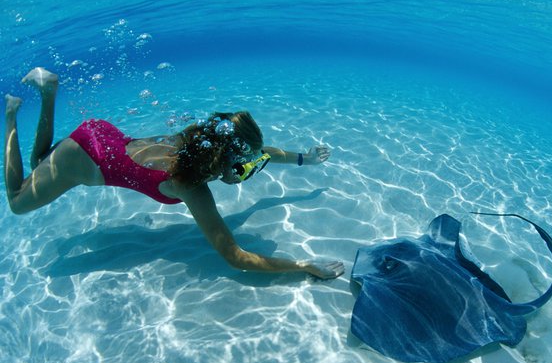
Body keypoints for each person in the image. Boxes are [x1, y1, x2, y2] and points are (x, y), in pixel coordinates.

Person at [4, 67, 344, 279]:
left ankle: (49, 90)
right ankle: (9, 115)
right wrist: (304, 266)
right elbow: (236, 257)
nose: (243, 173)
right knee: (18, 201)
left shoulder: (201, 142)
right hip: (88, 159)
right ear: (224, 160)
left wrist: (305, 159)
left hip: (101, 134)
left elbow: (262, 151)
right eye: (240, 169)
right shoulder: (190, 185)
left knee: (40, 161)